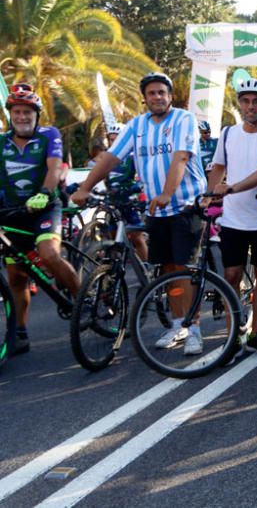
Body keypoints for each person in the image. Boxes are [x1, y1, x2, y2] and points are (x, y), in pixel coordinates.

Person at [72, 72, 207, 354]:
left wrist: (168, 192)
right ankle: (178, 324)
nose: (157, 97)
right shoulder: (137, 125)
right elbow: (111, 158)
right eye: (152, 93)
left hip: (184, 204)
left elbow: (181, 157)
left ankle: (194, 328)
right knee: (166, 268)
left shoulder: (183, 119)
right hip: (155, 209)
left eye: (162, 92)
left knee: (182, 268)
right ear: (144, 98)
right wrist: (85, 187)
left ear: (170, 96)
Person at [207, 79, 257, 357]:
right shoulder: (228, 133)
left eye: (256, 101)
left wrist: (230, 188)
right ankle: (232, 337)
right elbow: (218, 167)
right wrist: (209, 193)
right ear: (239, 104)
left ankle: (256, 333)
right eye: (245, 101)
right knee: (231, 275)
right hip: (233, 220)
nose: (250, 106)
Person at [0, 83, 81, 355]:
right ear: (10, 114)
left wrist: (45, 193)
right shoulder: (2, 142)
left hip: (44, 206)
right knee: (15, 277)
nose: (22, 117)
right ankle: (20, 332)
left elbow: (54, 167)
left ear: (36, 114)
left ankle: (82, 301)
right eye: (17, 112)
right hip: (12, 212)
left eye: (27, 112)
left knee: (48, 254)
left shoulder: (49, 135)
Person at [103, 121, 148, 262]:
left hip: (129, 200)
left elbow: (143, 178)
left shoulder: (133, 156)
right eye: (111, 138)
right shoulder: (107, 157)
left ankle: (145, 268)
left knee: (136, 237)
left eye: (116, 138)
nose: (113, 141)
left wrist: (136, 187)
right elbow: (103, 177)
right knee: (111, 234)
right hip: (114, 200)